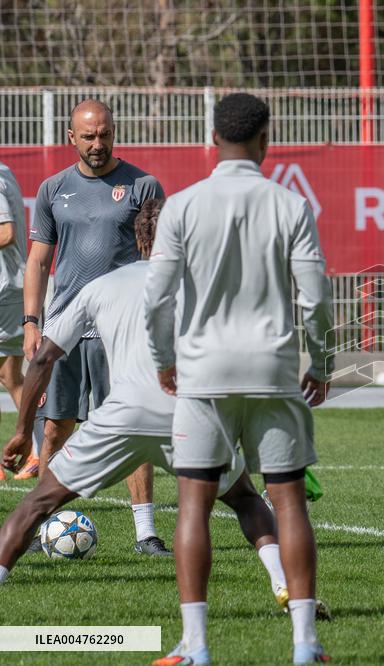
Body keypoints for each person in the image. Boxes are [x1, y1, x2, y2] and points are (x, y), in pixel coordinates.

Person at [0, 199, 315, 623]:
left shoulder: (101, 287)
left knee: (37, 503)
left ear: (138, 238)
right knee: (243, 498)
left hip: (120, 418)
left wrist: (23, 431)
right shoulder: (207, 287)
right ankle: (283, 584)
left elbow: (41, 360)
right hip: (188, 417)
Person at [145, 93, 333, 665]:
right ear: (265, 140)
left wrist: (163, 358)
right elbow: (317, 298)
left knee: (194, 506)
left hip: (202, 372)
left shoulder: (181, 206)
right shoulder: (292, 205)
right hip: (273, 371)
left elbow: (157, 299)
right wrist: (321, 362)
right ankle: (305, 644)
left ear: (212, 140)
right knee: (290, 503)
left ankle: (196, 647)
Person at [24, 99, 168, 556]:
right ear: (72, 138)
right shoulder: (52, 189)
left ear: (113, 133)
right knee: (54, 430)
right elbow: (39, 260)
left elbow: (156, 259)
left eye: (104, 134)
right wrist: (31, 322)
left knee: (133, 426)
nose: (97, 143)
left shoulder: (143, 185)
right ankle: (35, 527)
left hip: (118, 330)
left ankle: (145, 533)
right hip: (64, 327)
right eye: (88, 136)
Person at [0, 160, 27, 481]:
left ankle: (37, 450)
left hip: (5, 290)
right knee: (10, 374)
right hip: (12, 288)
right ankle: (35, 451)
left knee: (12, 374)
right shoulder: (5, 170)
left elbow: (5, 232)